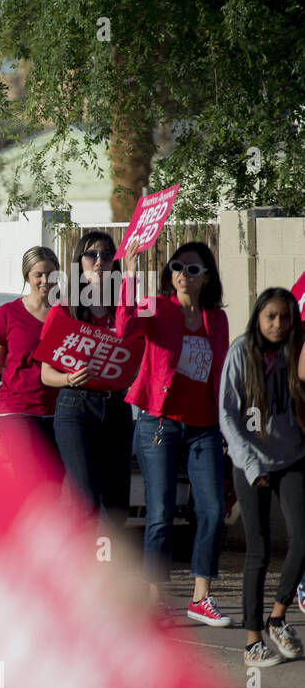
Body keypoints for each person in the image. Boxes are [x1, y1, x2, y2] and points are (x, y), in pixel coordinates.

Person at [120, 238, 230, 625]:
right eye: (177, 268)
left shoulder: (216, 318)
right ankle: (156, 599)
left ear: (206, 277)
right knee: (161, 513)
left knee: (213, 511)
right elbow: (125, 327)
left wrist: (228, 426)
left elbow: (218, 375)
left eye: (193, 269)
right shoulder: (155, 305)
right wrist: (131, 277)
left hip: (204, 428)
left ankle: (201, 597)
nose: (184, 274)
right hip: (159, 423)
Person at [219, 288, 305, 666]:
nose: (278, 324)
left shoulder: (296, 352)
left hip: (292, 458)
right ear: (257, 317)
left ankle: (278, 615)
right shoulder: (241, 352)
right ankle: (253, 640)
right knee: (258, 551)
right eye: (270, 316)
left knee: (302, 538)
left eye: (285, 317)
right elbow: (227, 417)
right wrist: (251, 467)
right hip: (250, 461)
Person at [41, 231, 134, 523]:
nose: (98, 261)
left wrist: (130, 275)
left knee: (116, 502)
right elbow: (46, 374)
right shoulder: (64, 309)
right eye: (91, 255)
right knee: (85, 499)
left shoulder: (124, 307)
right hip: (76, 406)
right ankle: (86, 566)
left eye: (107, 256)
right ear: (78, 261)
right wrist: (68, 379)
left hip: (117, 406)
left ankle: (108, 566)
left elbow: (133, 336)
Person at [0, 246, 62, 476]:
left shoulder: (66, 313)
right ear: (27, 276)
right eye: (38, 274)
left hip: (57, 410)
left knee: (54, 483)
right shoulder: (8, 313)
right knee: (29, 478)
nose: (45, 280)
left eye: (51, 273)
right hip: (17, 410)